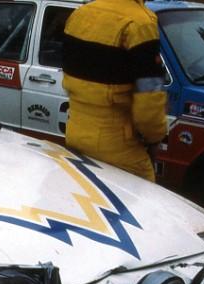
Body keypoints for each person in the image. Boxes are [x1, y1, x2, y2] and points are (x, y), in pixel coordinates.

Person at [61, 0, 167, 182]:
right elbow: (149, 100)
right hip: (119, 148)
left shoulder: (80, 14)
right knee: (143, 205)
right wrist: (155, 137)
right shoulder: (140, 23)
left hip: (75, 134)